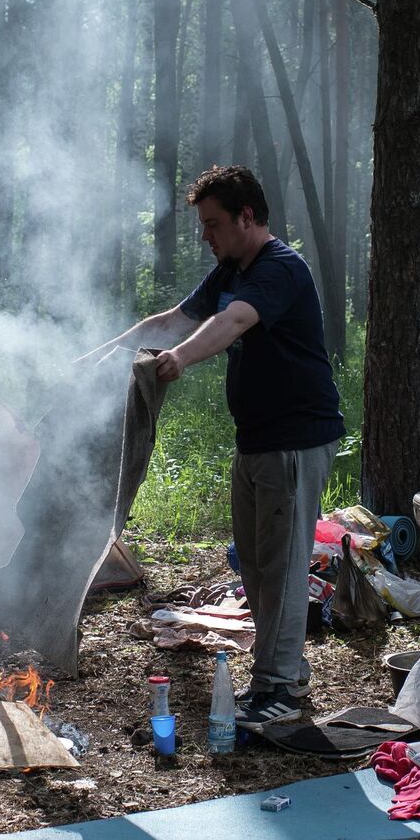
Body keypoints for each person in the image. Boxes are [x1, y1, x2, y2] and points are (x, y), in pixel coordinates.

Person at [95, 165, 344, 731]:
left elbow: (231, 322)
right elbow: (174, 318)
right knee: (255, 565)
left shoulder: (279, 269)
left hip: (295, 440)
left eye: (213, 225)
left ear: (247, 218)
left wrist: (180, 358)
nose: (206, 236)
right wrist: (103, 356)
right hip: (256, 440)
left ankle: (278, 689)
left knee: (280, 567)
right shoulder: (231, 267)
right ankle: (288, 670)